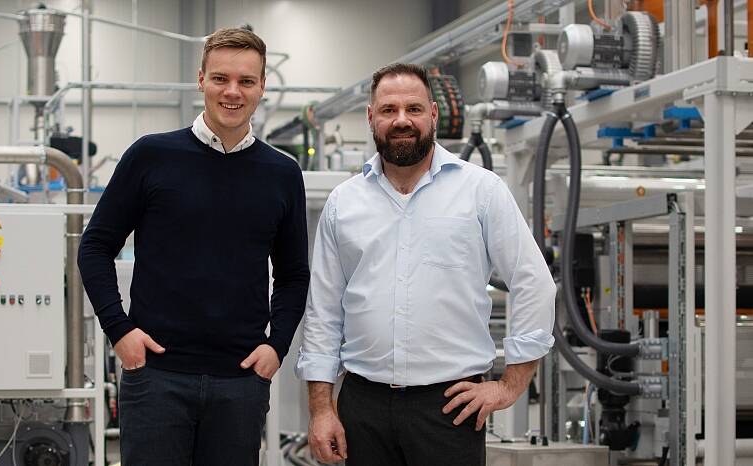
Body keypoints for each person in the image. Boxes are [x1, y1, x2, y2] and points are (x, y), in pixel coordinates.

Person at [295, 63, 555, 466]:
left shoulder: (480, 191)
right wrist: (322, 408)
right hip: (363, 405)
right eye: (388, 110)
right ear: (370, 117)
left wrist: (508, 386)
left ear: (433, 114)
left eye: (413, 109)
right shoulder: (344, 203)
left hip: (450, 408)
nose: (402, 120)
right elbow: (323, 312)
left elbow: (534, 282)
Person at [78, 27, 310, 466]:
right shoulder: (152, 156)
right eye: (221, 78)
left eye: (246, 81)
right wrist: (120, 331)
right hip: (156, 378)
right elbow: (95, 247)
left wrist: (276, 347)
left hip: (240, 382)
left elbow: (295, 273)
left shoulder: (281, 173)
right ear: (201, 79)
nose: (232, 92)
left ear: (262, 87)